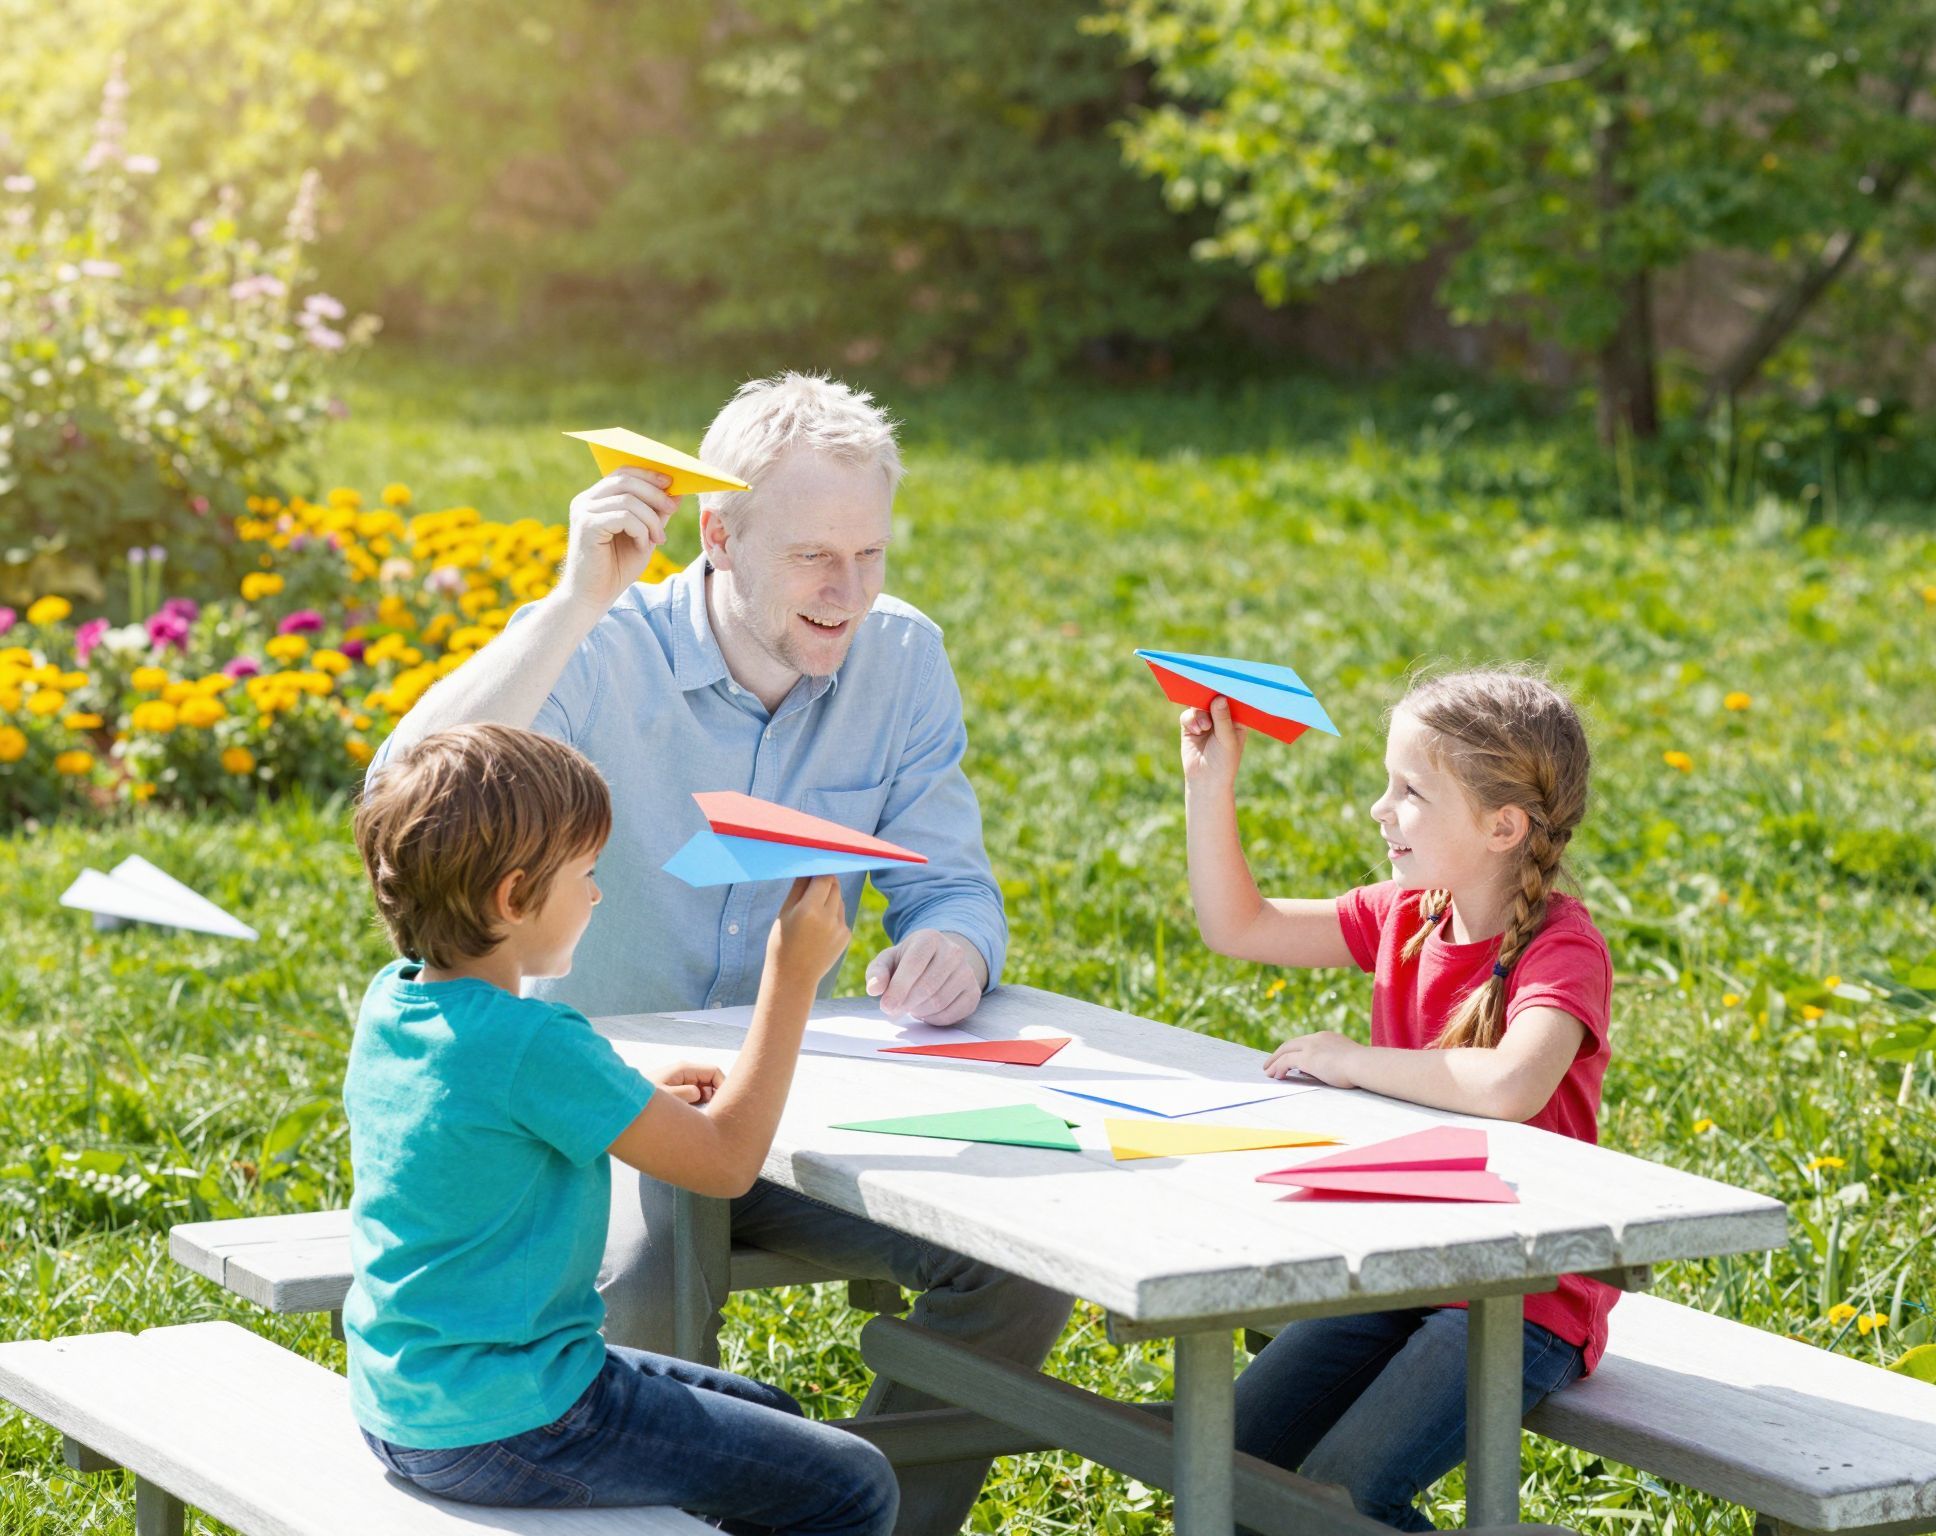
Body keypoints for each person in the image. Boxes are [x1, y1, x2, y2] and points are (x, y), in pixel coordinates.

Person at [367, 373, 1070, 1535]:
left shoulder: (902, 658)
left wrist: (952, 942)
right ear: (719, 536)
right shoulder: (599, 646)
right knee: (644, 1287)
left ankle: (882, 1512)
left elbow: (947, 880)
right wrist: (569, 601)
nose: (847, 592)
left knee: (1021, 1260)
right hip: (593, 1125)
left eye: (870, 554)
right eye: (812, 558)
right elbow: (406, 793)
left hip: (798, 1108)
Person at [344, 722, 895, 1532]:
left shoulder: (394, 1002)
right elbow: (726, 1162)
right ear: (513, 898)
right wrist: (792, 974)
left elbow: (486, 1117)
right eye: (587, 874)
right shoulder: (537, 1043)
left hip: (409, 1402)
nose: (597, 896)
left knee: (776, 1418)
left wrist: (623, 1101)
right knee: (854, 1485)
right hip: (518, 1419)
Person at [1178, 667, 1614, 1531]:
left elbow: (1510, 1084)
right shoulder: (1407, 914)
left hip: (1523, 1290)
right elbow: (1239, 926)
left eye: (1410, 792)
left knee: (1346, 1493)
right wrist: (1209, 785)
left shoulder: (1563, 948)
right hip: (1405, 1264)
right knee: (1224, 1452)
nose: (1381, 808)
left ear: (1502, 826)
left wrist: (1355, 1060)